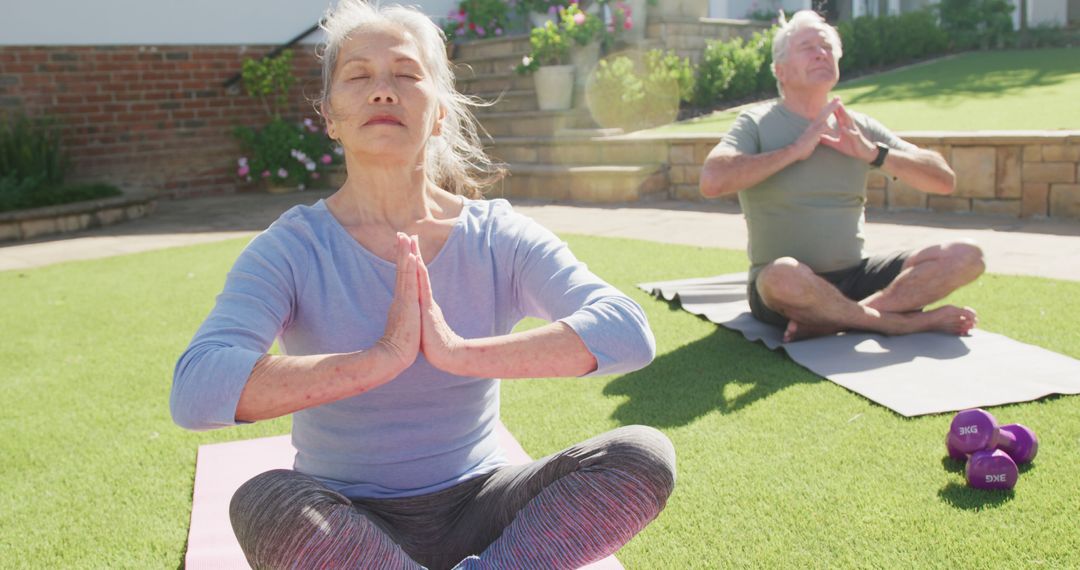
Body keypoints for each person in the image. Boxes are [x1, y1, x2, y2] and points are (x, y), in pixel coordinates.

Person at [170, 2, 675, 568]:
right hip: (346, 522)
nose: (383, 91)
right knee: (263, 499)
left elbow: (628, 332)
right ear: (330, 115)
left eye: (407, 75)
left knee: (640, 454)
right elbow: (195, 388)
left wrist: (456, 353)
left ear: (438, 111)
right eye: (358, 76)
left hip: (482, 508)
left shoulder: (496, 236)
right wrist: (379, 360)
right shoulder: (292, 247)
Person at [699, 10, 985, 343]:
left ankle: (840, 318)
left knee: (967, 255)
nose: (821, 53)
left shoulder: (858, 126)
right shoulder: (757, 122)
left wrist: (874, 153)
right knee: (781, 277)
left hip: (856, 276)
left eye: (827, 47)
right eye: (807, 47)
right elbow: (712, 179)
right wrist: (795, 150)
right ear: (781, 71)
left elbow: (943, 179)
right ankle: (897, 323)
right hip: (788, 284)